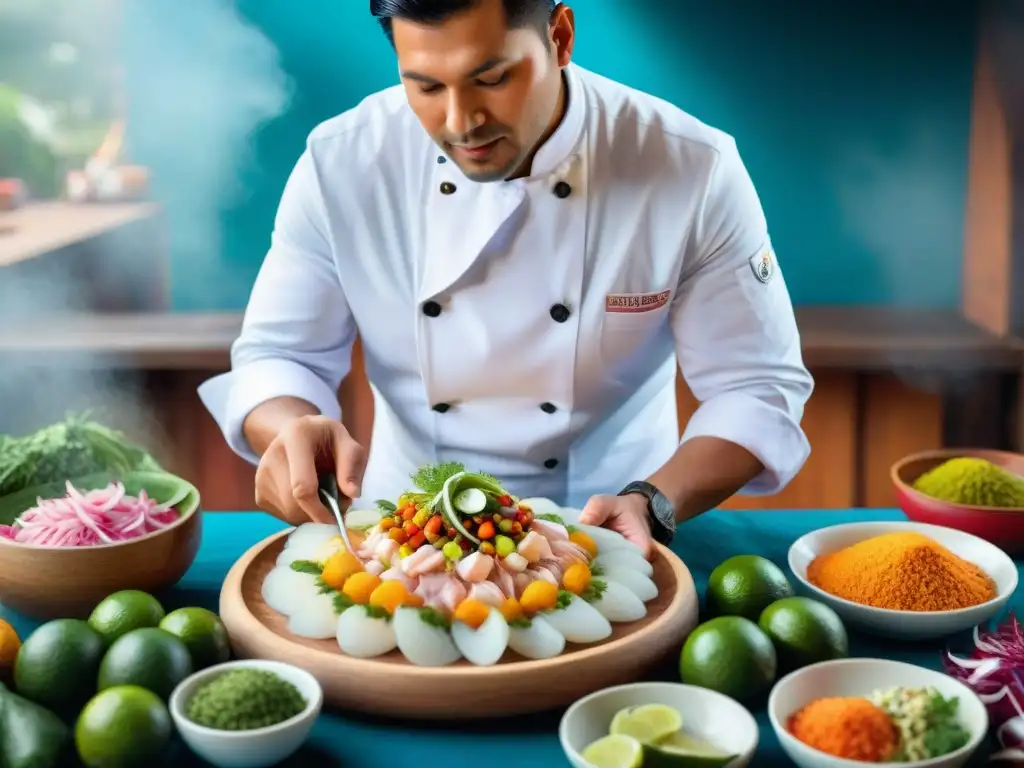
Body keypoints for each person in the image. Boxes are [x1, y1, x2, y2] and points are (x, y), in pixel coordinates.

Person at [198, 0, 814, 559]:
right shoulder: (342, 164)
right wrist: (291, 428)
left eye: (492, 78)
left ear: (560, 35)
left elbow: (756, 386)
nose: (462, 121)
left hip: (614, 534)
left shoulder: (690, 166)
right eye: (426, 86)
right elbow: (278, 357)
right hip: (405, 540)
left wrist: (656, 499)